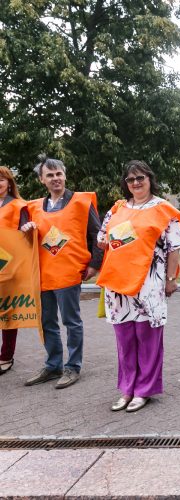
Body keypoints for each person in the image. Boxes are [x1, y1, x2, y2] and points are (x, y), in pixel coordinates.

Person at [96, 160, 180, 413]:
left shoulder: (163, 209)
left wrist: (170, 280)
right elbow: (102, 240)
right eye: (130, 179)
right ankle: (127, 389)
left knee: (147, 339)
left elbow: (174, 248)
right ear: (125, 184)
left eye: (140, 178)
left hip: (149, 284)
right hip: (118, 284)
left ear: (149, 179)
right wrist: (123, 238)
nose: (135, 183)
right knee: (124, 339)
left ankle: (144, 390)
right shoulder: (116, 209)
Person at [22, 155, 103, 389]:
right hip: (43, 273)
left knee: (71, 321)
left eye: (59, 174)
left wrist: (95, 264)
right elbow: (26, 238)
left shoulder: (81, 202)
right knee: (47, 322)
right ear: (42, 179)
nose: (55, 178)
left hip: (69, 272)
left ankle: (73, 366)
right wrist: (25, 229)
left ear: (65, 175)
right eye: (50, 175)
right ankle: (53, 365)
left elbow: (97, 235)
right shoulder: (33, 207)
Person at [0, 166, 31, 375]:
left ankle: (6, 356)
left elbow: (25, 237)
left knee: (8, 313)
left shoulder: (19, 206)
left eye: (1, 179)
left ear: (9, 182)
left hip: (9, 265)